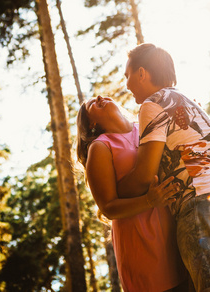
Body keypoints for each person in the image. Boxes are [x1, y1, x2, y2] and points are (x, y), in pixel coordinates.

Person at [117, 43, 210, 292]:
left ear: (142, 73)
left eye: (128, 75)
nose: (127, 84)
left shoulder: (153, 104)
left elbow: (145, 174)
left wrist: (115, 191)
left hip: (201, 206)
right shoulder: (190, 104)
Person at [76, 95, 189, 292]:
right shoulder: (101, 146)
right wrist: (148, 201)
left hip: (176, 236)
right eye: (92, 103)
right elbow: (108, 207)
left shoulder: (144, 126)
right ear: (92, 123)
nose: (100, 97)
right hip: (142, 248)